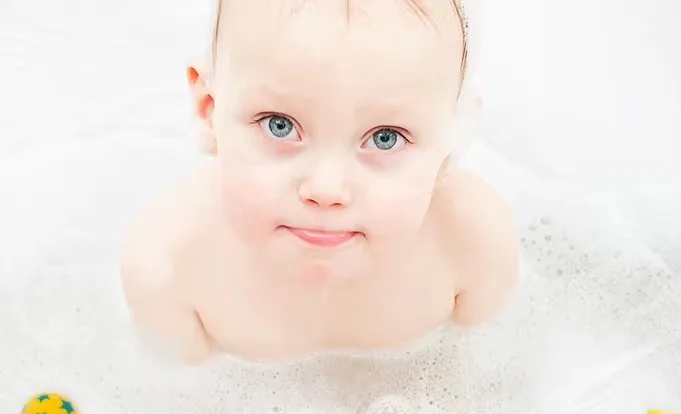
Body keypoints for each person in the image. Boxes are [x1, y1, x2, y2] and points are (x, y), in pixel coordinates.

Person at [121, 0, 518, 362]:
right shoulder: (170, 264)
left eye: (386, 137)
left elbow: (484, 382)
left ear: (452, 135)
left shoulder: (474, 245)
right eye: (279, 126)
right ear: (210, 109)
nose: (326, 189)